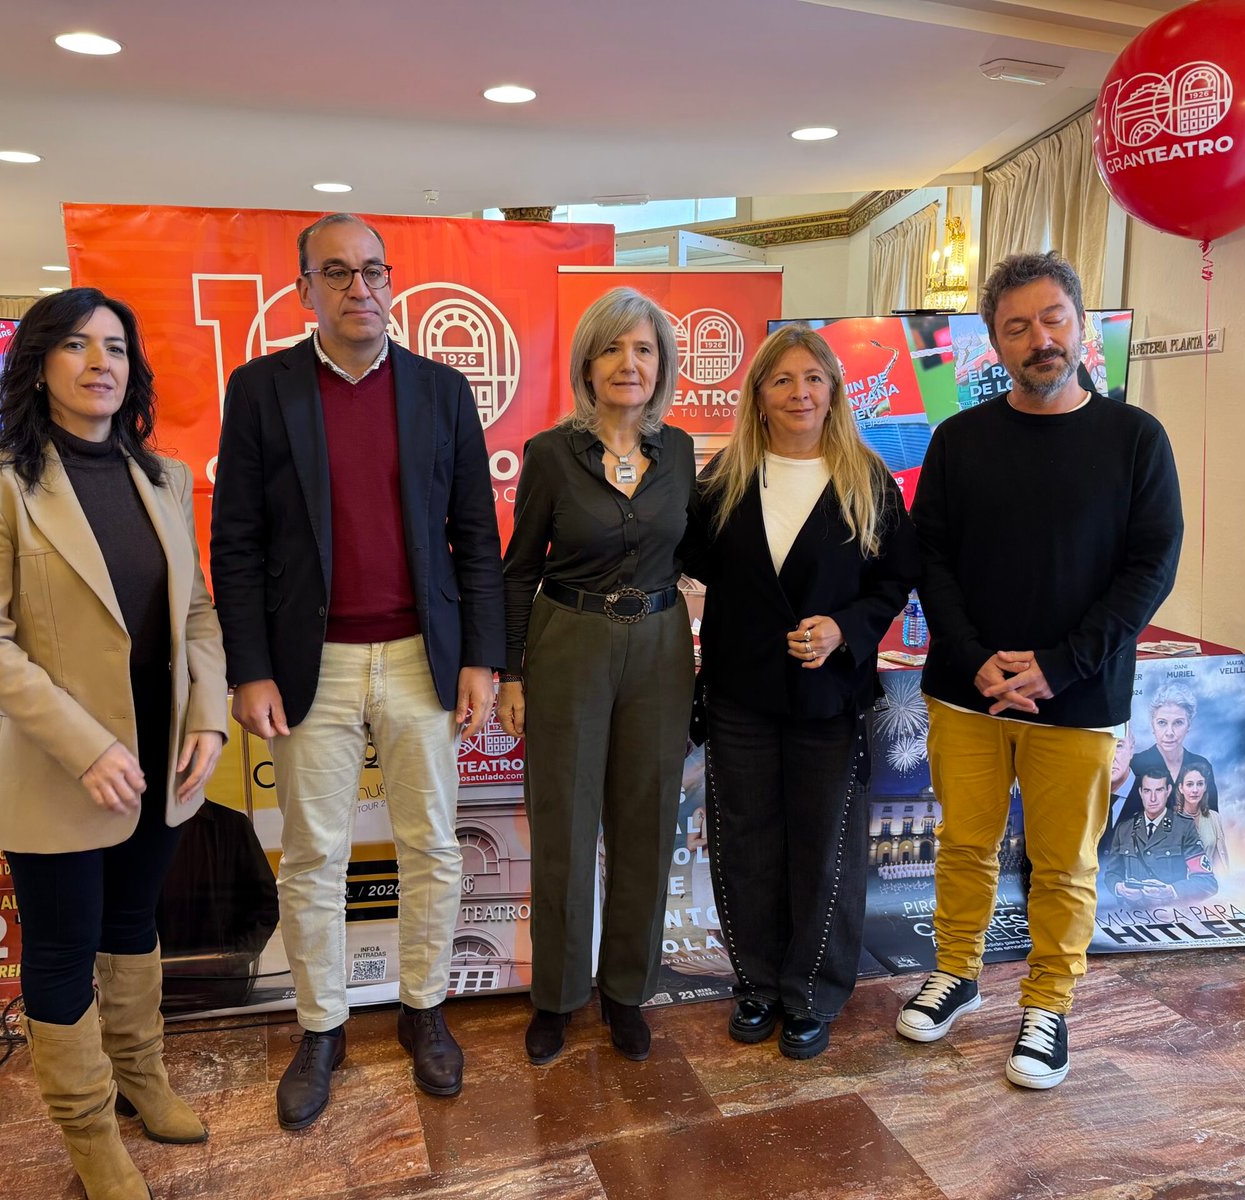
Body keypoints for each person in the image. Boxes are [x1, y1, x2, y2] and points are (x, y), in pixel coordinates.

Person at [210, 213, 505, 1122]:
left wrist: (483, 659)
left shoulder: (441, 391)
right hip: (312, 667)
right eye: (335, 273)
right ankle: (322, 1026)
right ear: (303, 289)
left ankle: (425, 1009)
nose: (358, 288)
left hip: (423, 658)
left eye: (372, 271)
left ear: (392, 281)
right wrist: (250, 666)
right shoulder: (261, 390)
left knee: (429, 847)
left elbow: (475, 542)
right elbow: (238, 543)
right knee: (312, 858)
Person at [0, 287, 228, 1200]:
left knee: (135, 926)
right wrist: (86, 745)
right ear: (39, 365)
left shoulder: (165, 478)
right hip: (65, 769)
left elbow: (198, 613)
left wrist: (209, 716)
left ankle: (142, 1076)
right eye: (76, 344)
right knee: (63, 951)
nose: (101, 361)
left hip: (161, 760)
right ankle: (89, 1128)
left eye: (115, 346)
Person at [894, 251, 1183, 1091]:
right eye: (1016, 327)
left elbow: (1151, 566)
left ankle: (1048, 1003)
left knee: (1064, 864)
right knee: (965, 845)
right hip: (967, 689)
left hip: (1080, 695)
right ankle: (957, 974)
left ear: (1082, 325)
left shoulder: (1135, 439)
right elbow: (930, 558)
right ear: (993, 343)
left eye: (1053, 319)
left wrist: (1059, 666)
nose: (1039, 339)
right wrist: (978, 658)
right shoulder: (959, 439)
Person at [685, 324, 917, 1059]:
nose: (800, 392)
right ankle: (755, 984)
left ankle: (812, 993)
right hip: (739, 694)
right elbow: (683, 557)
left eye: (813, 378)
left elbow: (892, 582)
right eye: (782, 379)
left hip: (828, 699)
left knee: (825, 848)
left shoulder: (867, 478)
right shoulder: (722, 478)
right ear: (758, 395)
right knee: (744, 841)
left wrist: (844, 629)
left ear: (834, 392)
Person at [498, 287, 695, 1065]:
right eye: (613, 348)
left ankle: (626, 993)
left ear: (662, 365)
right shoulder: (551, 453)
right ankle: (557, 997)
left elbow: (702, 547)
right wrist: (512, 674)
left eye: (644, 349)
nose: (629, 363)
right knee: (564, 828)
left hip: (659, 643)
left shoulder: (678, 451)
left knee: (648, 823)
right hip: (569, 642)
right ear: (587, 362)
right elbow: (518, 572)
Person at [1101, 770, 1218, 903]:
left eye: (1159, 790)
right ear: (1140, 792)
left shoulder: (1184, 827)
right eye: (1147, 791)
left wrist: (1172, 891)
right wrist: (1119, 888)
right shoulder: (1124, 829)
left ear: (1168, 791)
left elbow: (1207, 882)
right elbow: (1112, 874)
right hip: (1132, 915)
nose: (1152, 798)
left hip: (1172, 913)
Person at [1129, 681, 1213, 794]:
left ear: (1189, 725)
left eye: (1178, 722)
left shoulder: (1203, 765)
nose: (1169, 732)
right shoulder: (1134, 764)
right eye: (1162, 723)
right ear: (1152, 725)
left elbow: (1210, 811)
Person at [1176, 760, 1229, 873]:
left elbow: (1219, 861)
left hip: (1208, 884)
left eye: (1200, 784)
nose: (1195, 790)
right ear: (1181, 788)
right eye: (1189, 784)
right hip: (1180, 887)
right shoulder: (1172, 819)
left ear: (1205, 787)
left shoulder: (1214, 818)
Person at [1097, 723, 1139, 862]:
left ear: (1132, 748)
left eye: (1119, 746)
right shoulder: (1078, 797)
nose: (1111, 756)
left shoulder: (1157, 797)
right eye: (1102, 746)